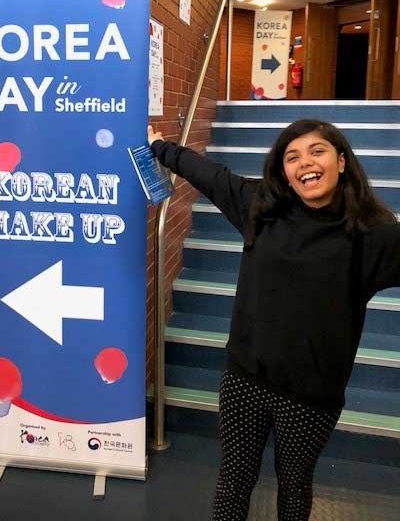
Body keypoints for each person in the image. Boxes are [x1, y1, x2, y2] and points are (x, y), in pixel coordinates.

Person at [147, 119, 400, 521]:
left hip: (312, 395)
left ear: (341, 161)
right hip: (245, 379)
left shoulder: (374, 235)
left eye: (317, 151)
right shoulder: (261, 209)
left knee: (295, 486)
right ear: (284, 171)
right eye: (292, 157)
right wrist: (161, 148)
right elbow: (209, 175)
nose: (305, 163)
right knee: (233, 482)